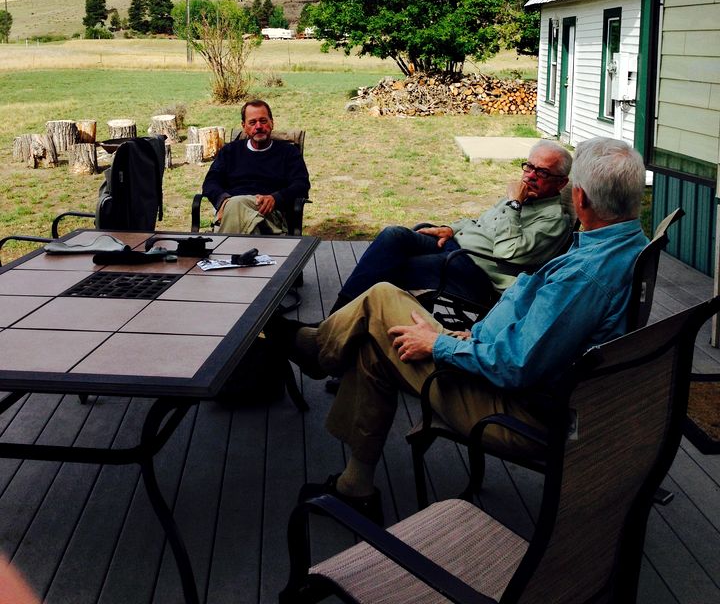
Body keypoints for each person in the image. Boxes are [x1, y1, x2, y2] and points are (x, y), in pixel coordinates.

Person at [270, 137, 648, 525]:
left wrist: (440, 344)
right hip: (506, 362)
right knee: (376, 344)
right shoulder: (625, 246)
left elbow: (515, 365)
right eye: (528, 167)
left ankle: (318, 348)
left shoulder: (583, 277)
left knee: (382, 296)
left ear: (579, 197)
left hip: (514, 410)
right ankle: (355, 487)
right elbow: (535, 340)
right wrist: (466, 336)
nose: (532, 176)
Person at [328, 139, 574, 314]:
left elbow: (507, 252)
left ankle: (340, 340)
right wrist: (452, 228)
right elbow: (480, 222)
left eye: (541, 172)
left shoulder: (553, 220)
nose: (530, 176)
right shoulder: (522, 197)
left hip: (476, 272)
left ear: (561, 183)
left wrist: (513, 204)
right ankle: (336, 320)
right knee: (395, 236)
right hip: (455, 247)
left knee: (392, 270)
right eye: (529, 166)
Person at [201, 99, 310, 235]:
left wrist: (276, 198)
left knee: (237, 205)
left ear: (272, 123)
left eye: (263, 121)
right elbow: (210, 182)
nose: (258, 126)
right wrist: (223, 201)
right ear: (244, 126)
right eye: (252, 122)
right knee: (244, 216)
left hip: (270, 216)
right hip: (233, 212)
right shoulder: (230, 151)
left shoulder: (288, 153)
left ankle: (223, 252)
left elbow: (301, 185)